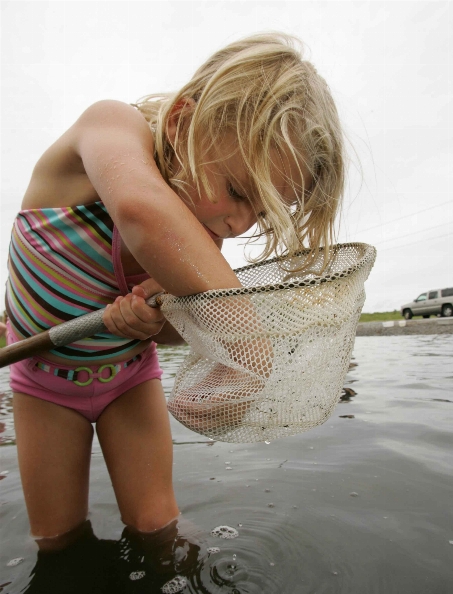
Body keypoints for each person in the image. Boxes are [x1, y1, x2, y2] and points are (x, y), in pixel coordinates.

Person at [5, 33, 345, 543]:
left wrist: (151, 322)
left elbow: (172, 333)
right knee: (58, 538)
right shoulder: (110, 126)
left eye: (260, 211)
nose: (238, 223)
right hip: (44, 383)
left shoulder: (202, 245)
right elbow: (140, 211)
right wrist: (252, 346)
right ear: (186, 121)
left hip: (129, 382)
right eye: (237, 191)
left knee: (157, 525)